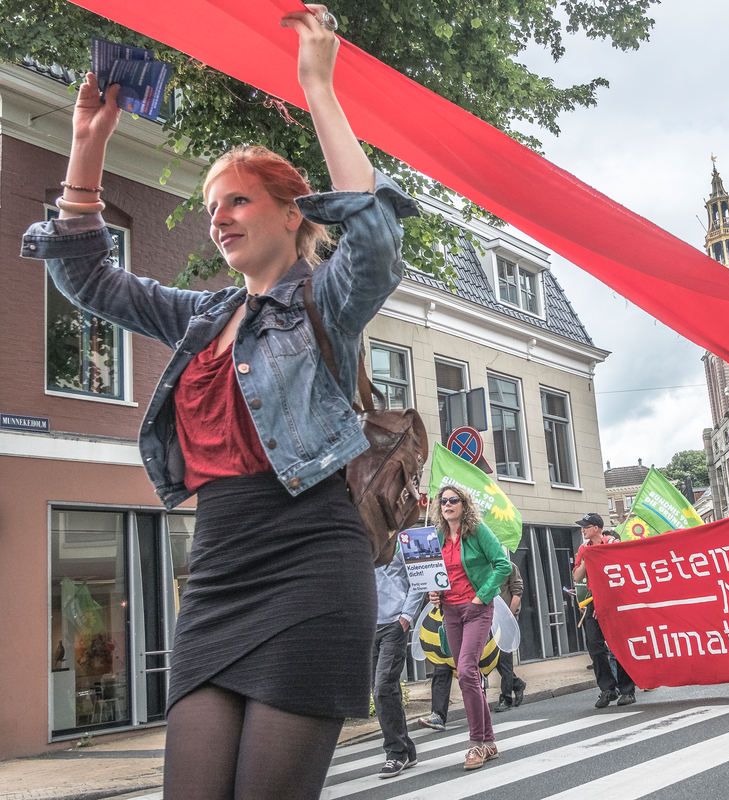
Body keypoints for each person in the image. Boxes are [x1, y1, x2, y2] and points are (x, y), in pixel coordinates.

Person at [20, 6, 420, 798]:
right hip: (217, 568)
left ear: (291, 211)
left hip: (312, 560)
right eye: (211, 208)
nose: (218, 219)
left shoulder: (326, 302)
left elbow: (375, 241)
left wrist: (318, 87)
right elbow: (87, 277)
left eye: (236, 201)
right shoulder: (202, 317)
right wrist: (89, 142)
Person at [428, 485, 512, 770]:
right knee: (468, 675)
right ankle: (489, 743)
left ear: (464, 504)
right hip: (450, 612)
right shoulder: (438, 537)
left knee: (465, 671)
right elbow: (435, 574)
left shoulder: (478, 532)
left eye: (453, 500)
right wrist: (434, 592)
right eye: (443, 501)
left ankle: (476, 743)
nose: (447, 504)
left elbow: (503, 565)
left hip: (477, 609)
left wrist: (481, 597)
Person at [572, 513, 637, 708]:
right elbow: (577, 577)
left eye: (586, 526)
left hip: (615, 599)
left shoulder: (613, 544)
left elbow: (623, 568)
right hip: (595, 599)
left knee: (619, 645)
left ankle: (627, 690)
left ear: (596, 528)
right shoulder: (583, 548)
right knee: (594, 644)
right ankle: (607, 689)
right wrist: (587, 558)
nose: (582, 530)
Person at [373, 547, 425, 778]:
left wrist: (406, 616)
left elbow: (419, 580)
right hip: (368, 624)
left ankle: (396, 753)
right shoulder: (359, 540)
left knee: (382, 688)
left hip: (394, 623)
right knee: (387, 689)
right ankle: (408, 750)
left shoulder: (402, 541)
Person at [495, 561, 527, 711]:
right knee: (494, 659)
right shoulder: (483, 566)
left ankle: (506, 698)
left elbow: (517, 592)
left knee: (504, 658)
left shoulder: (510, 567)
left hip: (507, 619)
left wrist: (509, 615)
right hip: (490, 621)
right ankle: (517, 684)